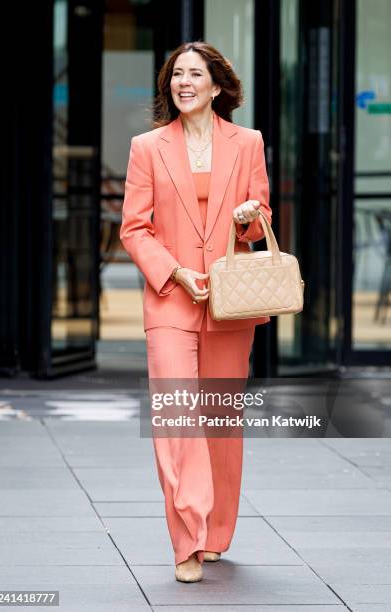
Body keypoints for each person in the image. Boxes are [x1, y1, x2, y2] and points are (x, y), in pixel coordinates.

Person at [120, 41, 271, 583]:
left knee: (220, 421)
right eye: (176, 75)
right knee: (178, 415)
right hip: (171, 296)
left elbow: (258, 223)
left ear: (216, 86)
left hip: (230, 302)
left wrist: (250, 216)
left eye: (194, 74)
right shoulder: (147, 147)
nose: (184, 82)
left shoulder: (248, 142)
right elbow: (134, 228)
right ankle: (187, 537)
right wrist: (176, 272)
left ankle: (216, 531)